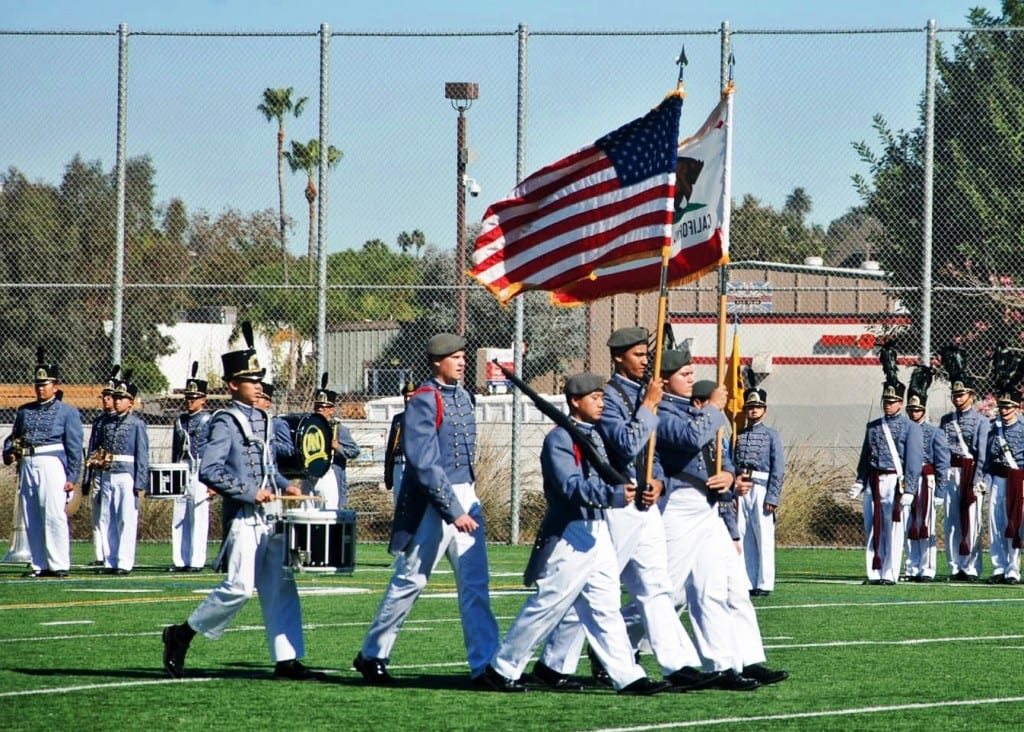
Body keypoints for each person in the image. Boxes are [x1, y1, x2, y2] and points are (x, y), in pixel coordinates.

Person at [535, 328, 710, 693]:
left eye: (647, 355)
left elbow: (653, 450)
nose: (646, 361)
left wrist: (660, 481)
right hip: (617, 501)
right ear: (618, 358)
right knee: (592, 586)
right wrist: (648, 406)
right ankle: (553, 664)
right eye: (638, 355)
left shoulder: (646, 393)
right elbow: (627, 445)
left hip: (646, 502)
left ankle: (676, 664)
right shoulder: (612, 397)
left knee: (655, 585)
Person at [478, 373, 668, 695]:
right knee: (548, 604)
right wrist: (614, 494)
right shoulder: (560, 439)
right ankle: (502, 667)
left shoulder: (594, 436)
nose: (601, 402)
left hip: (598, 530)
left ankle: (627, 675)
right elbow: (570, 486)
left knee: (605, 606)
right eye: (594, 397)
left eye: (602, 397)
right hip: (571, 532)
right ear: (575, 402)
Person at [162, 326, 322, 681]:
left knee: (282, 585)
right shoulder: (224, 421)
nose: (258, 385)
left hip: (270, 516)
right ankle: (181, 634)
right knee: (237, 586)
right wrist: (251, 493)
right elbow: (210, 470)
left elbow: (267, 469)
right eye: (251, 380)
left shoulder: (262, 418)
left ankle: (288, 659)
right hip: (244, 517)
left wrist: (285, 486)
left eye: (259, 379)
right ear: (233, 384)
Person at [354, 333, 499, 687]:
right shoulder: (423, 400)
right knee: (412, 580)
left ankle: (486, 665)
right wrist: (453, 509)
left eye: (464, 356)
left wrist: (468, 500)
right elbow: (424, 462)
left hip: (465, 494)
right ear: (437, 362)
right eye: (455, 357)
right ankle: (372, 653)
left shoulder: (464, 397)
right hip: (436, 502)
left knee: (475, 583)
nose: (462, 362)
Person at [637, 352, 786, 689]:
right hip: (679, 505)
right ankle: (619, 644)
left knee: (724, 588)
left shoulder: (698, 411)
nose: (691, 378)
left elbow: (724, 458)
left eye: (692, 372)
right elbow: (690, 438)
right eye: (684, 373)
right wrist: (716, 409)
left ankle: (730, 663)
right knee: (667, 591)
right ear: (666, 379)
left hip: (710, 507)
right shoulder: (663, 412)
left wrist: (730, 478)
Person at [2, 348, 83, 578]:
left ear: (55, 386)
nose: (40, 388)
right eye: (38, 384)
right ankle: (40, 564)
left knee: (54, 514)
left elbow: (75, 447)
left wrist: (72, 477)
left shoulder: (67, 412)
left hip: (52, 463)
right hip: (28, 462)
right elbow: (13, 437)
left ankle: (59, 564)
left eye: (45, 384)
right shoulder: (25, 411)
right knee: (32, 514)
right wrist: (9, 452)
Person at [851, 378, 923, 585]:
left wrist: (909, 489)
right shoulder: (873, 427)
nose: (888, 404)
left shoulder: (910, 428)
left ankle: (890, 573)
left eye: (893, 401)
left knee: (893, 528)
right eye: (886, 400)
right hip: (873, 480)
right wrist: (859, 481)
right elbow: (866, 457)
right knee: (872, 526)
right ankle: (874, 571)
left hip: (894, 481)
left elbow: (913, 461)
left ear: (901, 403)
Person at [94, 370, 149, 575]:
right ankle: (110, 560)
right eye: (116, 398)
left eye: (121, 398)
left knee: (126, 518)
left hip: (127, 474)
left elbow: (142, 455)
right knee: (107, 518)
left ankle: (124, 562)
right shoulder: (106, 423)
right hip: (108, 472)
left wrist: (140, 482)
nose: (117, 402)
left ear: (131, 402)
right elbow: (98, 447)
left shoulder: (137, 424)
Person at [733, 387, 785, 597]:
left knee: (763, 535)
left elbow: (778, 468)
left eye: (757, 407)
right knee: (743, 534)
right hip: (742, 487)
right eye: (750, 407)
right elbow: (733, 464)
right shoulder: (740, 434)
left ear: (764, 410)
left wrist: (773, 496)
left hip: (762, 487)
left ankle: (764, 582)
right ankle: (746, 580)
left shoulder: (772, 435)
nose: (753, 411)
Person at [939, 373, 988, 581]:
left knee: (972, 520)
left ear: (971, 395)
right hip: (952, 471)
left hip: (971, 472)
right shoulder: (946, 420)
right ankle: (955, 566)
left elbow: (982, 454)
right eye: (955, 395)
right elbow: (941, 450)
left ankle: (971, 567)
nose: (957, 398)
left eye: (962, 394)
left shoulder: (981, 421)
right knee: (952, 521)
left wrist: (978, 479)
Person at [904, 367, 950, 582]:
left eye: (917, 409)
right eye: (911, 409)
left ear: (923, 409)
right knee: (908, 523)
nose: (914, 413)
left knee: (926, 524)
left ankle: (927, 568)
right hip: (907, 481)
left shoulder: (934, 432)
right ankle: (912, 566)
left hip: (927, 480)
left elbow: (942, 464)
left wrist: (940, 490)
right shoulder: (903, 429)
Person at [169, 363, 212, 572]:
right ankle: (180, 559)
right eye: (188, 397)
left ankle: (196, 560)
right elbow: (176, 449)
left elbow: (214, 449)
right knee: (180, 514)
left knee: (199, 514)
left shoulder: (209, 420)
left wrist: (214, 481)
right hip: (182, 467)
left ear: (203, 399)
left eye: (194, 398)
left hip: (201, 469)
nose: (190, 401)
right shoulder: (180, 421)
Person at [982, 387, 1024, 584]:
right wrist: (985, 482)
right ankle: (999, 567)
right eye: (1002, 407)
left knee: (1014, 524)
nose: (1005, 411)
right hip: (998, 479)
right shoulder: (994, 430)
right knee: (996, 524)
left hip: (1018, 480)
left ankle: (1013, 570)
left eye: (1009, 407)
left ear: (1017, 408)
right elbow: (989, 459)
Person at [307, 377, 360, 509]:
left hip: (332, 473)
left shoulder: (338, 428)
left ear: (331, 409)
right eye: (317, 406)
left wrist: (338, 447)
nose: (320, 410)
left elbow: (354, 451)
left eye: (324, 407)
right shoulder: (309, 426)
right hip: (311, 475)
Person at [84, 366, 119, 567]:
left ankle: (111, 554)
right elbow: (92, 447)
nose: (106, 400)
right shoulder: (99, 422)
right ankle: (100, 554)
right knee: (98, 515)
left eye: (110, 396)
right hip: (99, 472)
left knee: (111, 515)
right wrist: (88, 476)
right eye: (104, 397)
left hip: (115, 472)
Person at [384, 380, 416, 507]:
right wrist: (388, 472)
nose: (408, 400)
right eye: (406, 396)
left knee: (414, 504)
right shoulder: (398, 419)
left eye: (411, 396)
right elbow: (391, 447)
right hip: (398, 463)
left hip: (413, 465)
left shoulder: (424, 418)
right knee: (399, 503)